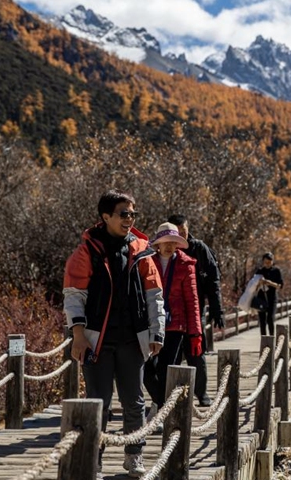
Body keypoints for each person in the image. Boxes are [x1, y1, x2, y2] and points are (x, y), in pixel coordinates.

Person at [63, 189, 165, 478]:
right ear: (105, 216)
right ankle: (92, 460)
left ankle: (134, 456)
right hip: (97, 340)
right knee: (99, 402)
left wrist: (157, 333)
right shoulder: (87, 251)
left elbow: (154, 295)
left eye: (132, 213)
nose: (129, 219)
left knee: (134, 401)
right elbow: (73, 295)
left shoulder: (143, 249)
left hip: (133, 339)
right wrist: (78, 334)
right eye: (123, 214)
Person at [143, 222, 202, 417]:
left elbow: (192, 300)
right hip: (150, 322)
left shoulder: (186, 265)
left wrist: (195, 334)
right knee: (146, 369)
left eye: (173, 242)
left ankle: (162, 411)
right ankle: (161, 405)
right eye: (165, 241)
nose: (169, 246)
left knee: (167, 369)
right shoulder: (146, 262)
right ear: (157, 244)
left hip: (175, 325)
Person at [167, 214, 224, 407]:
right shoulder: (165, 248)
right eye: (177, 232)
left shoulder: (199, 249)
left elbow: (213, 281)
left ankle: (201, 392)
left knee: (196, 350)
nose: (181, 235)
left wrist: (217, 310)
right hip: (171, 309)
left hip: (195, 307)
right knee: (171, 353)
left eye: (183, 230)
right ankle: (169, 395)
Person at [255, 252, 284, 335]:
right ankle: (263, 340)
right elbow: (253, 287)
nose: (267, 264)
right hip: (261, 298)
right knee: (262, 321)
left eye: (269, 262)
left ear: (272, 261)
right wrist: (259, 283)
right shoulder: (259, 271)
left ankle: (271, 339)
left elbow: (280, 286)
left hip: (272, 298)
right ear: (263, 262)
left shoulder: (276, 271)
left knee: (270, 319)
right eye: (265, 262)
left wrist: (270, 283)